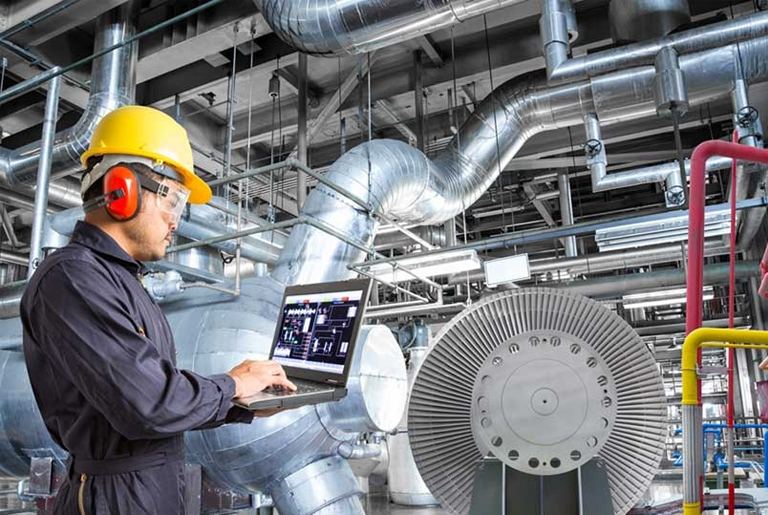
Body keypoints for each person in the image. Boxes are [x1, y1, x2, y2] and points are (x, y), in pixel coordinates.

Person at [21, 105, 295, 515]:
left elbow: (157, 396)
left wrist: (240, 402)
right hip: (113, 499)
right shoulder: (73, 279)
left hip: (146, 490)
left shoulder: (122, 281)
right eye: (172, 200)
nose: (176, 222)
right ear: (122, 190)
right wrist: (232, 385)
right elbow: (149, 404)